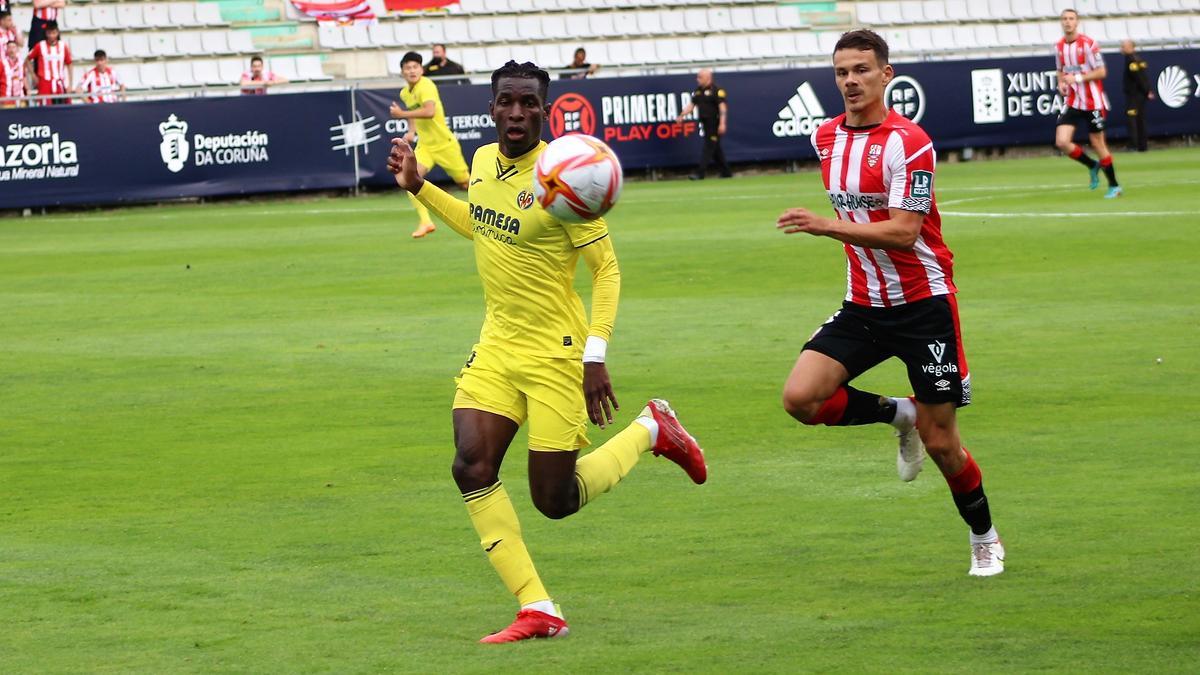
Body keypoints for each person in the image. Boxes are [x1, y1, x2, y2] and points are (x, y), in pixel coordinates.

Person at [387, 60, 708, 643]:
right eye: (507, 102)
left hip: (557, 354)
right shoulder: (483, 162)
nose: (516, 113)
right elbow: (484, 224)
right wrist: (421, 187)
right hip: (496, 345)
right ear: (491, 108)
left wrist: (594, 354)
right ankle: (538, 607)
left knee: (554, 501)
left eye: (529, 104)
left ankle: (651, 430)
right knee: (471, 465)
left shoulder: (567, 175)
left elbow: (605, 271)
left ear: (545, 110)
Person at [775, 29, 1004, 578]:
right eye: (840, 72)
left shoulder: (911, 141)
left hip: (924, 306)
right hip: (863, 304)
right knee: (801, 398)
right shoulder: (826, 137)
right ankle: (897, 412)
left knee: (943, 442)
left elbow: (905, 233)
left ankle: (984, 536)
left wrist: (826, 225)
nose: (850, 81)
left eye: (860, 70)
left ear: (886, 74)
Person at [390, 51, 470, 238]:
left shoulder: (426, 85)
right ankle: (426, 222)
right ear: (402, 72)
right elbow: (415, 113)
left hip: (444, 144)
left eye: (415, 67)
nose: (412, 71)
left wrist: (401, 115)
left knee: (467, 184)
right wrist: (411, 131)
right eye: (407, 68)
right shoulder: (405, 92)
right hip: (425, 146)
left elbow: (429, 111)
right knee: (410, 179)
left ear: (421, 70)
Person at [1054, 8, 1121, 198]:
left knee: (1097, 143)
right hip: (1073, 101)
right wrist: (1061, 83)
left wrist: (1077, 78)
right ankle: (1092, 165)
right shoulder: (1059, 46)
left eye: (1071, 19)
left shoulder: (1089, 44)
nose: (1067, 22)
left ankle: (1114, 186)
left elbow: (1101, 72)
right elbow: (1060, 70)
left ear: (1077, 22)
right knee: (1061, 141)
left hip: (1093, 102)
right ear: (1061, 22)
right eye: (1064, 19)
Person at [674, 68, 731, 180]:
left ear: (708, 78)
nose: (697, 79)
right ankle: (726, 172)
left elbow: (722, 108)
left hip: (715, 123)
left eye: (700, 77)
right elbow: (691, 105)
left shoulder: (717, 91)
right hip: (705, 123)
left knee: (708, 147)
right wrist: (682, 115)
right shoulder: (698, 91)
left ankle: (700, 173)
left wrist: (722, 123)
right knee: (715, 149)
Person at [25, 20, 69, 106]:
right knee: (45, 108)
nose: (52, 35)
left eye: (54, 33)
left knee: (62, 108)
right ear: (46, 33)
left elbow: (69, 63)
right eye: (49, 33)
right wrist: (33, 76)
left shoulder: (63, 45)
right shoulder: (40, 45)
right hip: (44, 82)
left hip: (59, 82)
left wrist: (69, 83)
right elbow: (27, 59)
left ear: (57, 32)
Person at [1121, 39, 1153, 152]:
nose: (1121, 48)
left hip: (1134, 96)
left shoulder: (1132, 60)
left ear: (1131, 47)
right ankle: (1142, 145)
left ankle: (1133, 145)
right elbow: (1144, 76)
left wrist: (1147, 90)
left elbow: (1139, 77)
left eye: (1124, 46)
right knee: (1140, 119)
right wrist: (1148, 90)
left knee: (1132, 119)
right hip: (1140, 95)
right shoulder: (1138, 59)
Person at [1, 39, 26, 107]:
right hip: (6, 99)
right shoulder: (2, 63)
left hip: (20, 99)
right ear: (6, 50)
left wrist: (28, 91)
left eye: (13, 47)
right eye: (9, 47)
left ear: (17, 49)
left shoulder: (21, 62)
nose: (11, 50)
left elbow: (24, 78)